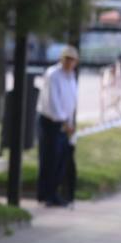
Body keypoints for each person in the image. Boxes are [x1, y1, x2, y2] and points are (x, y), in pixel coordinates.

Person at [36, 44, 79, 207]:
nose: (69, 63)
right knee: (49, 157)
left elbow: (70, 100)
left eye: (72, 60)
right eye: (67, 59)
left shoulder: (71, 76)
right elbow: (52, 102)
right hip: (51, 121)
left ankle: (53, 192)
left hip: (64, 123)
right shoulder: (53, 75)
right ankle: (46, 193)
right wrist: (63, 121)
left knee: (61, 158)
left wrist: (69, 121)